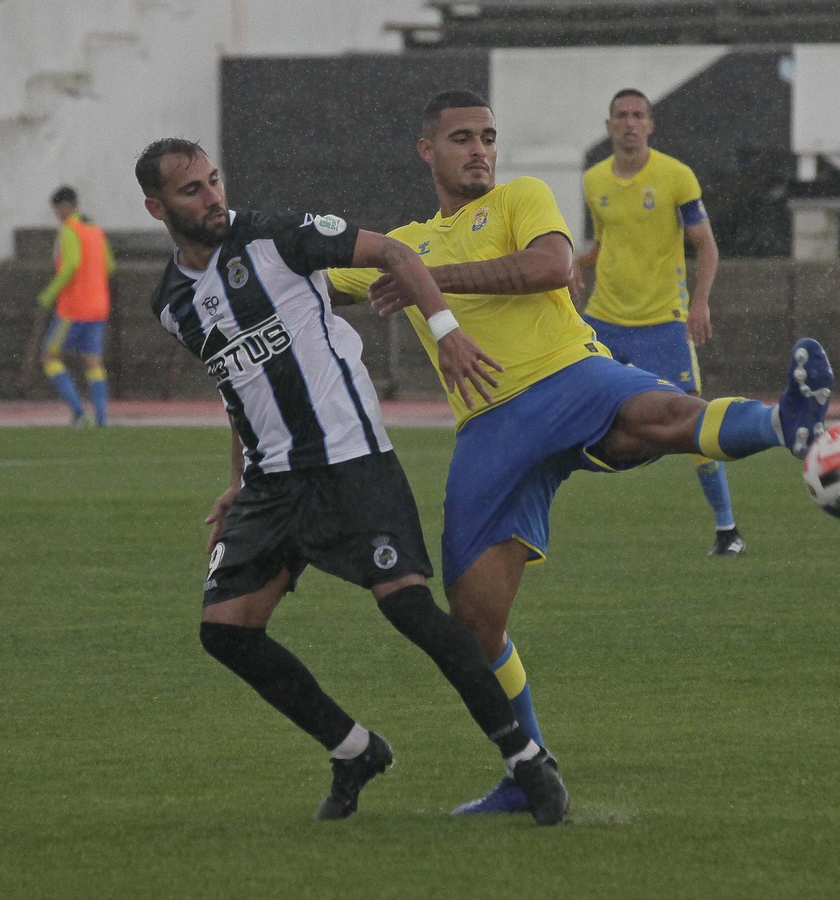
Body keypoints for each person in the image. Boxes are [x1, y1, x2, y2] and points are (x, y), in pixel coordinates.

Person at [329, 89, 835, 816]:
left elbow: (550, 269)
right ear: (427, 151)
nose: (480, 149)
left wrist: (424, 280)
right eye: (462, 138)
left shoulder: (520, 198)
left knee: (657, 415)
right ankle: (526, 769)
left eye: (489, 137)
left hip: (570, 375)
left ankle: (784, 423)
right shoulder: (405, 241)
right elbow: (312, 278)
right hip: (489, 429)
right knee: (474, 623)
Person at [135, 137, 568, 825]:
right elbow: (239, 386)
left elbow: (397, 254)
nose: (212, 196)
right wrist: (236, 478)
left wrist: (447, 329)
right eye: (192, 190)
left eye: (214, 180)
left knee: (407, 607)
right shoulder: (172, 303)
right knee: (226, 631)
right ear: (156, 207)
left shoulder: (279, 236)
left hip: (349, 461)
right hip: (272, 484)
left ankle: (525, 757)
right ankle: (353, 750)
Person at [574, 89, 743, 556]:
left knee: (694, 419)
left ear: (650, 125)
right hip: (603, 321)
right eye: (622, 116)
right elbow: (606, 243)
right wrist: (577, 264)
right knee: (565, 408)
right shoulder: (593, 180)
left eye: (639, 116)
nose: (630, 123)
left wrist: (700, 302)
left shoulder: (675, 176)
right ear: (608, 125)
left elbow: (705, 246)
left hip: (662, 322)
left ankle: (727, 529)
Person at [36, 186, 115, 426]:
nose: (57, 215)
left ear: (64, 207)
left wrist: (48, 295)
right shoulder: (95, 231)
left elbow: (71, 264)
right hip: (98, 307)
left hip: (72, 309)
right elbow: (110, 266)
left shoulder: (69, 230)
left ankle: (79, 413)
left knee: (49, 356)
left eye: (57, 210)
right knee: (93, 362)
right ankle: (102, 418)